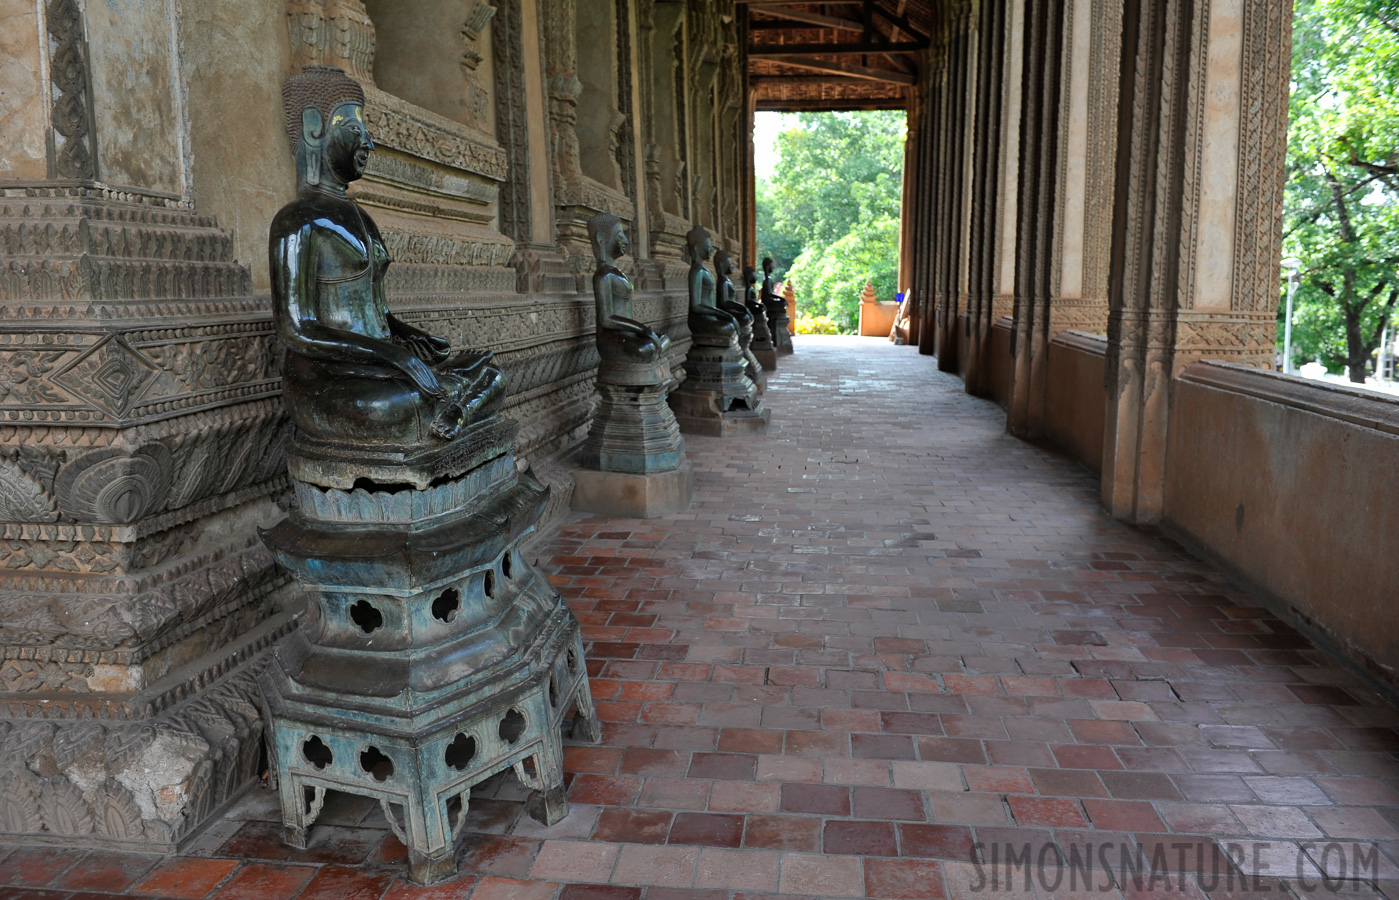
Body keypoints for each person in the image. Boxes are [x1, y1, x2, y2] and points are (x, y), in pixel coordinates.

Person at [269, 66, 505, 448]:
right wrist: (397, 357)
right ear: (314, 127)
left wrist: (411, 338)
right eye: (354, 129)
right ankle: (455, 408)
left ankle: (453, 411)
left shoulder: (362, 218)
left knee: (493, 375)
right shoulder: (298, 221)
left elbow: (374, 312)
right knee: (395, 405)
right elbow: (297, 329)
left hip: (377, 365)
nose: (368, 143)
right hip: (329, 378)